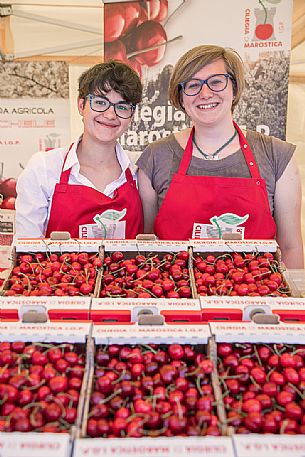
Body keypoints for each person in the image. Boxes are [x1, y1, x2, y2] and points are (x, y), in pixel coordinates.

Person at [137, 45, 304, 268]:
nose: (205, 93)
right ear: (181, 98)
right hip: (176, 295)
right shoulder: (156, 156)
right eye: (193, 85)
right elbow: (146, 244)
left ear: (234, 88)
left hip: (256, 295)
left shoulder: (276, 156)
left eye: (216, 82)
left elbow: (290, 247)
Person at [15, 60, 144, 239]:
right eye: (100, 102)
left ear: (132, 115)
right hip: (60, 268)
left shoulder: (140, 169)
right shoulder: (44, 168)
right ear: (81, 105)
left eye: (122, 107)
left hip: (128, 268)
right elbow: (26, 251)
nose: (110, 115)